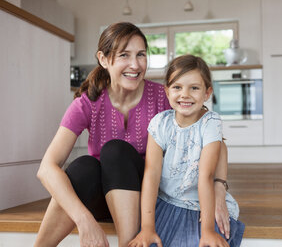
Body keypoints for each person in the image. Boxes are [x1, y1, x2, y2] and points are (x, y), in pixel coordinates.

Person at [34, 22, 230, 247]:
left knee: (115, 151)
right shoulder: (87, 103)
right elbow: (46, 168)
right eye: (125, 55)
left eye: (141, 55)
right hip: (102, 201)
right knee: (83, 168)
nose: (135, 65)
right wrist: (84, 221)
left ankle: (128, 244)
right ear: (104, 59)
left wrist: (219, 187)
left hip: (149, 201)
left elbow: (214, 140)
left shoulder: (163, 96)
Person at [129, 54, 245, 247]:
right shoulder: (160, 123)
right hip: (166, 202)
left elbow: (206, 176)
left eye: (194, 88)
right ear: (166, 91)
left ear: (207, 93)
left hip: (202, 207)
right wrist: (147, 227)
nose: (185, 94)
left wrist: (207, 230)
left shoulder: (211, 123)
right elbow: (151, 174)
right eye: (177, 87)